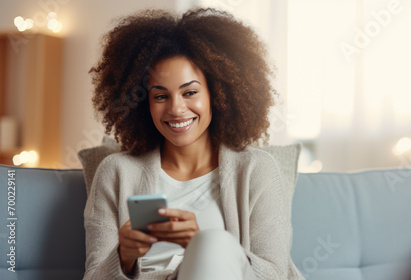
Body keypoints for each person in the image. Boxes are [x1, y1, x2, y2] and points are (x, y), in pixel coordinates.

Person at [84, 8, 304, 280]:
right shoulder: (115, 172)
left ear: (218, 94)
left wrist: (202, 246)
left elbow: (275, 274)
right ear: (144, 104)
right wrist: (123, 257)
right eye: (161, 96)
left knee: (214, 243)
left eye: (190, 92)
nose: (176, 109)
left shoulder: (257, 170)